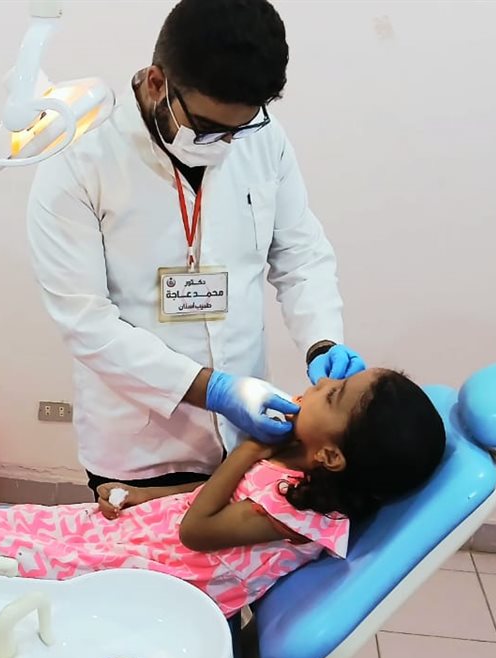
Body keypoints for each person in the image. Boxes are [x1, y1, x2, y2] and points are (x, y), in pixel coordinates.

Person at [26, 0, 365, 497]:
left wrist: (322, 341)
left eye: (240, 128)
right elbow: (85, 322)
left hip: (247, 439)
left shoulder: (264, 139)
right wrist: (215, 389)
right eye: (208, 127)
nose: (226, 143)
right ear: (157, 83)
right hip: (141, 446)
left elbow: (299, 254)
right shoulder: (79, 158)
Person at [0, 370, 446, 618]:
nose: (320, 383)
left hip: (161, 575)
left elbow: (197, 531)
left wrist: (250, 448)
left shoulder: (298, 514)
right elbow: (204, 495)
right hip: (147, 533)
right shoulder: (294, 463)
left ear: (332, 456)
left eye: (335, 393)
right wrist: (138, 497)